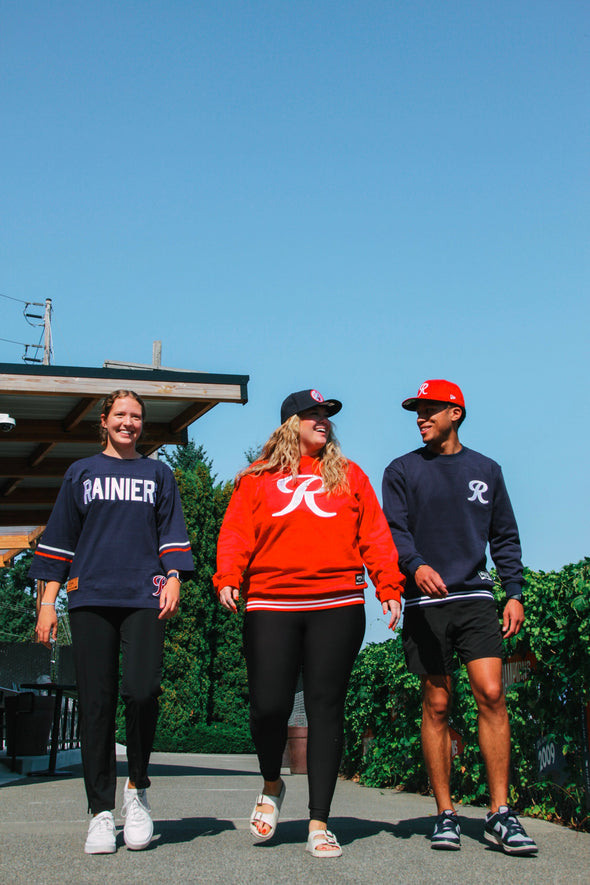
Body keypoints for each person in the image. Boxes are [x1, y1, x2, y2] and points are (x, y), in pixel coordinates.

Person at [214, 388, 405, 858]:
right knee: (267, 707)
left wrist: (389, 586)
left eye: (326, 414)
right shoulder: (255, 479)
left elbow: (375, 535)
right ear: (288, 423)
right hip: (270, 602)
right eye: (312, 413)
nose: (322, 420)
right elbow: (236, 531)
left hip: (337, 602)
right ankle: (272, 783)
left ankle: (319, 821)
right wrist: (228, 575)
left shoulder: (350, 475)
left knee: (325, 710)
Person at [30, 390, 194, 855]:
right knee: (96, 703)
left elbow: (171, 533)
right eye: (120, 415)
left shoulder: (158, 474)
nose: (128, 423)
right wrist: (47, 602)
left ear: (143, 424)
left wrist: (176, 577)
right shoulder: (81, 473)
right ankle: (101, 811)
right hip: (90, 598)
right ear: (103, 420)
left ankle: (137, 789)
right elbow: (61, 539)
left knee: (142, 691)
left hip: (144, 597)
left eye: (136, 416)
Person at [382, 379, 537, 855]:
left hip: (475, 598)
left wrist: (513, 591)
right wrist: (416, 565)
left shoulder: (486, 470)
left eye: (430, 409)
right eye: (417, 411)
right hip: (425, 604)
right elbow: (394, 530)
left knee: (491, 693)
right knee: (438, 705)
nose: (420, 417)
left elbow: (505, 537)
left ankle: (500, 813)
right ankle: (445, 814)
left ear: (456, 413)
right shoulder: (401, 470)